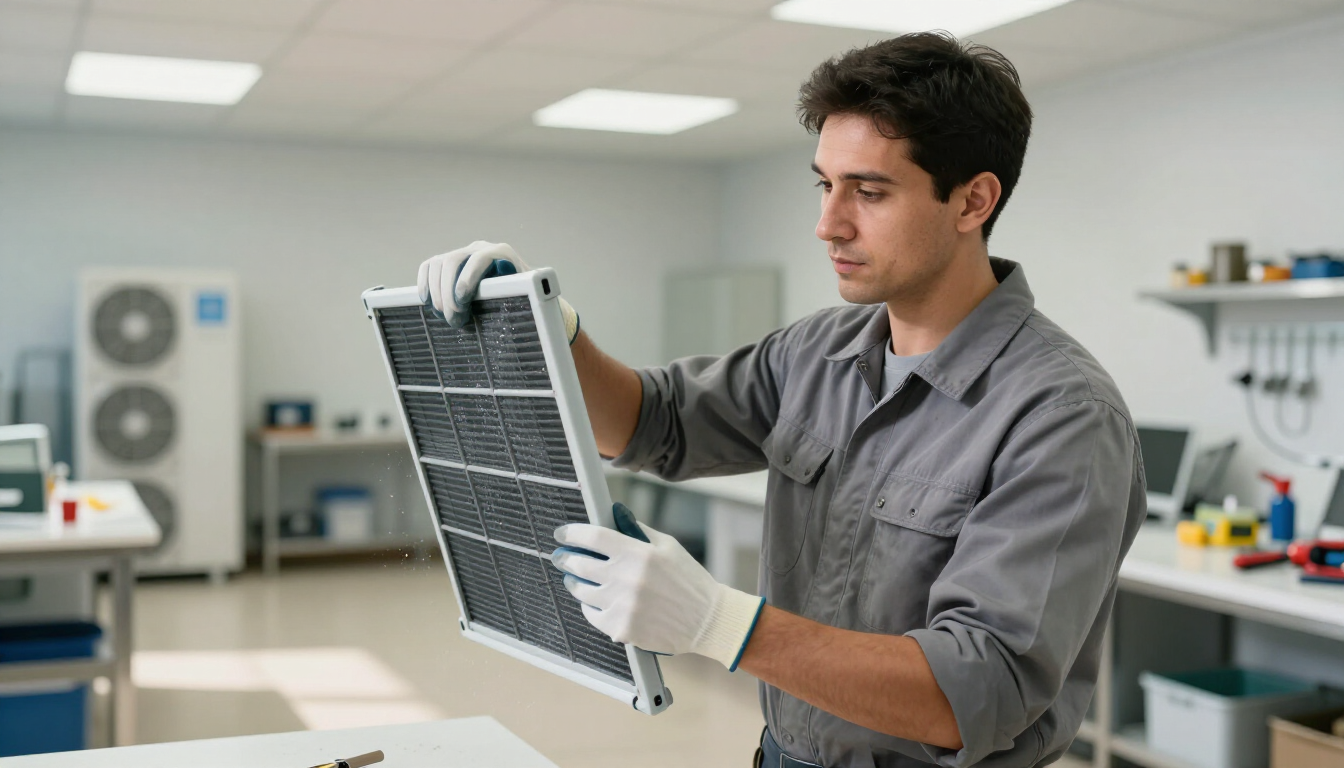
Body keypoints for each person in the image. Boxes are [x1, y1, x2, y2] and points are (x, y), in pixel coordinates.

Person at [417, 31, 1146, 768]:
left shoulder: (1062, 416)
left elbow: (977, 691)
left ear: (973, 201)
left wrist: (720, 623)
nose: (828, 224)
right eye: (825, 185)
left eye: (869, 191)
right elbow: (653, 420)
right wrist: (545, 324)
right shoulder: (815, 352)